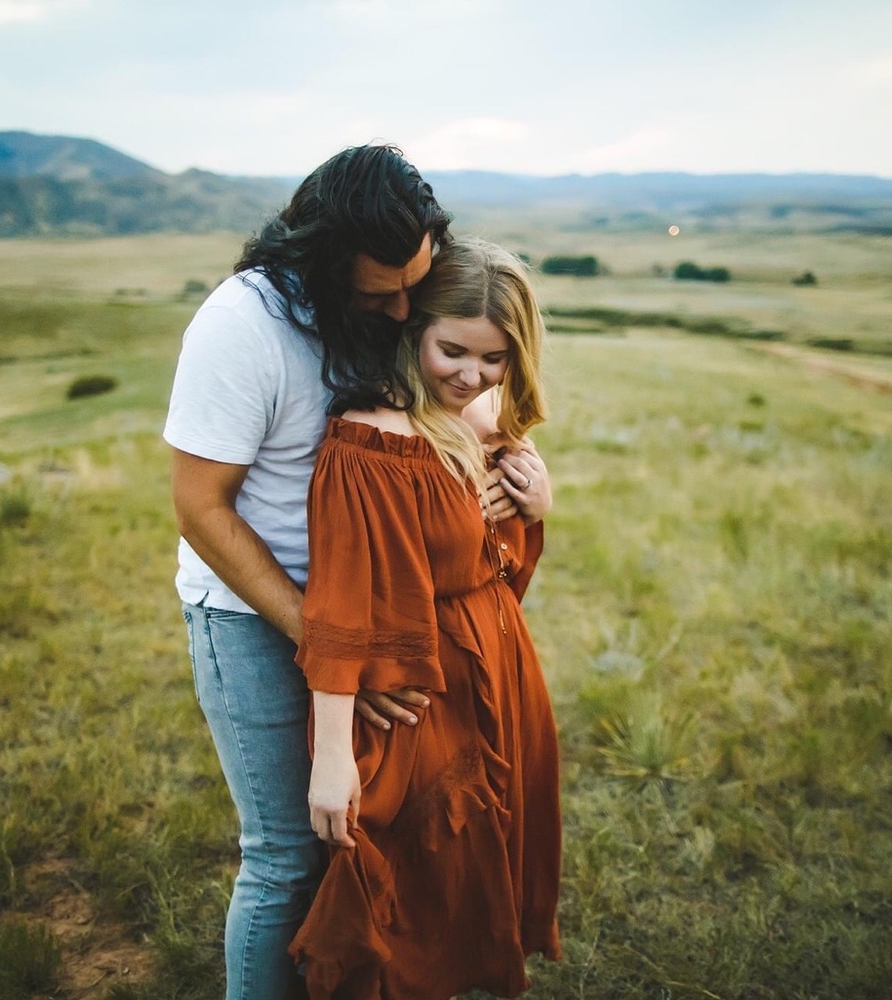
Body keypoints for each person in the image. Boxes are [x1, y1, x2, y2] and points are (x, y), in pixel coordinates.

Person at [163, 145, 522, 1000]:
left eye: (414, 285)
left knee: (359, 849)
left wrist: (523, 468)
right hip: (253, 616)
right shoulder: (240, 326)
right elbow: (200, 508)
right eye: (381, 293)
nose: (403, 309)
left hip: (369, 612)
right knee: (287, 856)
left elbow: (458, 398)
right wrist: (335, 646)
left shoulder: (393, 300)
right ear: (317, 260)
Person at [288, 237, 562, 1000]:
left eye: (495, 359)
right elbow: (339, 606)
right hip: (422, 698)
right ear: (413, 329)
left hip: (499, 680)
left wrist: (536, 505)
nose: (471, 377)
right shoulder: (370, 441)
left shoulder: (474, 423)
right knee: (405, 904)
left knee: (473, 884)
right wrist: (333, 754)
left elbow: (492, 567)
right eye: (453, 350)